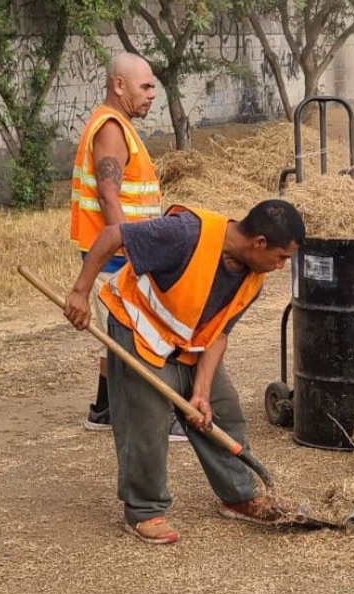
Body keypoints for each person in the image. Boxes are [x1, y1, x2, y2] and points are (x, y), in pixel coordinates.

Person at [63, 199, 306, 543]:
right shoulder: (186, 234)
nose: (282, 266)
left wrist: (202, 393)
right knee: (146, 418)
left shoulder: (253, 279)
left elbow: (219, 333)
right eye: (282, 257)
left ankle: (239, 496)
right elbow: (112, 235)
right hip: (139, 329)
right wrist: (79, 292)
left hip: (190, 344)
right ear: (259, 243)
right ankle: (144, 510)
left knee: (223, 410)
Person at [69, 53, 182, 441]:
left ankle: (104, 410)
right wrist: (135, 248)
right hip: (117, 254)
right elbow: (108, 195)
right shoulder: (113, 128)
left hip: (116, 251)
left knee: (117, 331)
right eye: (146, 86)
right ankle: (154, 418)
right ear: (119, 86)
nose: (153, 94)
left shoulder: (118, 125)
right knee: (136, 337)